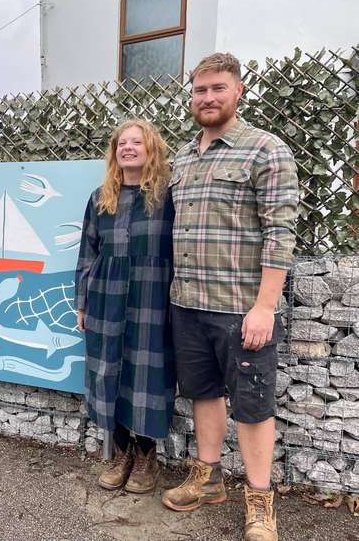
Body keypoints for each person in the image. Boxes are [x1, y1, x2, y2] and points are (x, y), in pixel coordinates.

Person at [162, 53, 298, 541]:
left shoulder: (265, 150)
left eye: (217, 88)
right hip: (188, 303)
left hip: (240, 309)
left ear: (238, 91)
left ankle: (260, 502)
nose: (207, 98)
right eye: (199, 90)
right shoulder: (183, 158)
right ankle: (208, 478)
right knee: (202, 393)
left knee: (254, 405)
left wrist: (264, 306)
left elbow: (280, 233)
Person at [75, 119, 176, 494]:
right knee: (107, 371)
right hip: (106, 295)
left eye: (137, 142)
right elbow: (88, 253)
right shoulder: (101, 197)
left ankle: (147, 456)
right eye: (122, 143)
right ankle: (120, 452)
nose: (128, 148)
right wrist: (81, 303)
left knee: (147, 374)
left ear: (152, 149)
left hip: (153, 298)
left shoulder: (168, 197)